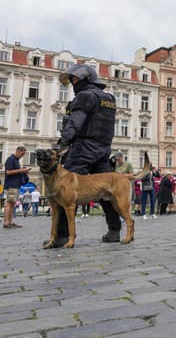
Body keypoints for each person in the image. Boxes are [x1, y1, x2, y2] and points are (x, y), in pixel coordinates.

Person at [48, 64, 122, 246]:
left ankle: (62, 235)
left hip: (83, 149)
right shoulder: (109, 98)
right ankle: (114, 231)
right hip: (103, 150)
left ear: (85, 79)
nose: (73, 83)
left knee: (65, 191)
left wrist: (61, 145)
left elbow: (75, 123)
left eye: (75, 79)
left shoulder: (84, 96)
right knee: (107, 192)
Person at [3, 146, 29, 228]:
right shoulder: (11, 159)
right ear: (18, 151)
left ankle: (10, 222)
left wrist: (23, 170)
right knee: (9, 204)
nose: (22, 156)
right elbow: (8, 172)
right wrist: (22, 170)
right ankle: (6, 223)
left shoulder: (16, 160)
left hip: (15, 185)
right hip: (11, 185)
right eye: (22, 154)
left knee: (13, 204)